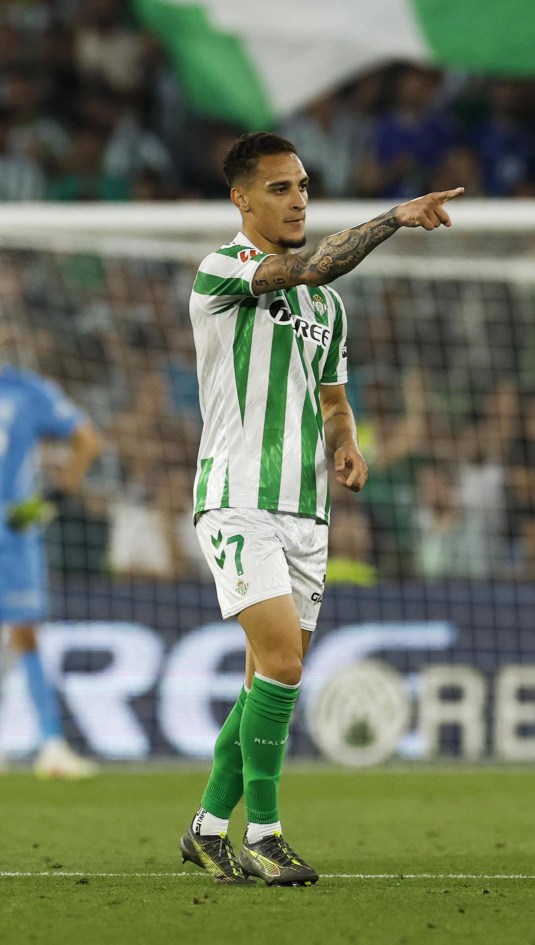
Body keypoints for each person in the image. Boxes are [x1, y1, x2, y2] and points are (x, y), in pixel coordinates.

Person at [181, 131, 463, 886]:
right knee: (281, 663)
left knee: (268, 678)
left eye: (302, 184)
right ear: (241, 198)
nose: (298, 197)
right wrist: (396, 218)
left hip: (307, 510)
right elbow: (309, 263)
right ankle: (265, 835)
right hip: (236, 497)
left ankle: (208, 826)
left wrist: (348, 444)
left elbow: (334, 404)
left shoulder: (329, 311)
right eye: (279, 187)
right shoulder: (225, 270)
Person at [0, 328, 101, 777]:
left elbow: (88, 441)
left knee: (25, 633)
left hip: (13, 535)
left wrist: (55, 497)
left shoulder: (26, 390)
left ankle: (50, 744)